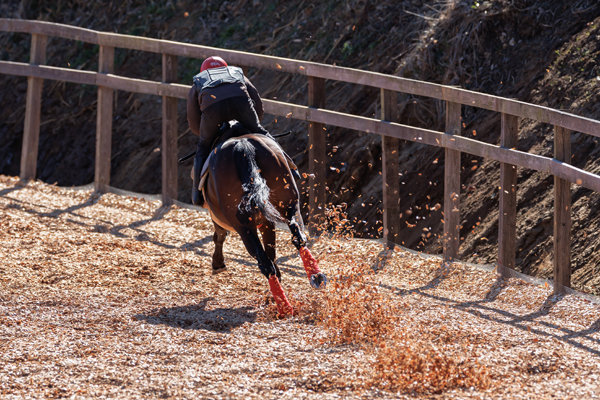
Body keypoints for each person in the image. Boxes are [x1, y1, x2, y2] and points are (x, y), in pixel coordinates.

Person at [187, 56, 270, 207]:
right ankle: (291, 169)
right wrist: (255, 125)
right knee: (262, 133)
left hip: (213, 111)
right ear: (225, 67)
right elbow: (258, 104)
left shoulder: (199, 82)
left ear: (203, 71)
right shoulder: (237, 74)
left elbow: (194, 124)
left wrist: (208, 135)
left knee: (203, 147)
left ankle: (196, 194)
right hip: (242, 105)